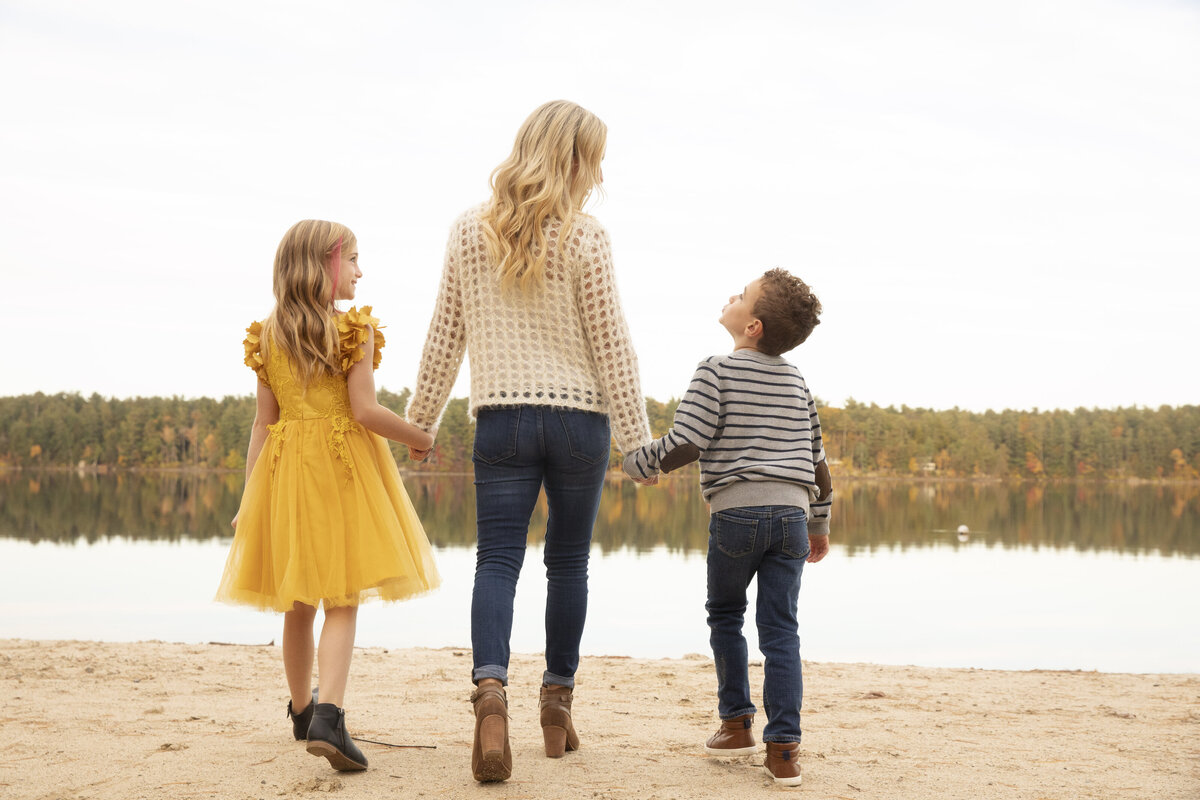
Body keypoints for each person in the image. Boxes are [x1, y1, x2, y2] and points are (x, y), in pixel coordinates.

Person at [405, 100, 654, 783]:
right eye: (594, 158)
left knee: (496, 563)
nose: (598, 172)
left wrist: (420, 424)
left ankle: (490, 697)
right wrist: (638, 442)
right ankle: (557, 704)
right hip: (579, 422)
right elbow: (612, 346)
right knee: (568, 564)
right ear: (575, 159)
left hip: (502, 421)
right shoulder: (586, 236)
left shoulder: (466, 230)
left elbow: (443, 334)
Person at [216, 220, 440, 772]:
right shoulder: (351, 330)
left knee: (299, 601)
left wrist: (251, 497)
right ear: (324, 264)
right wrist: (419, 436)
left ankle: (300, 711)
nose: (361, 271)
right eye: (355, 260)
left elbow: (262, 425)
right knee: (342, 598)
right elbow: (364, 410)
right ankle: (331, 715)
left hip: (286, 472)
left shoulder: (267, 335)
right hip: (342, 469)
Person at [622, 268, 833, 787]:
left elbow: (687, 442)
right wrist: (820, 525)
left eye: (741, 295)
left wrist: (637, 464)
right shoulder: (797, 380)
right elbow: (819, 465)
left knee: (725, 616)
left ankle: (736, 723)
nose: (730, 297)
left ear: (753, 326)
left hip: (735, 516)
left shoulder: (715, 369)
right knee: (782, 631)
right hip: (790, 518)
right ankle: (784, 752)